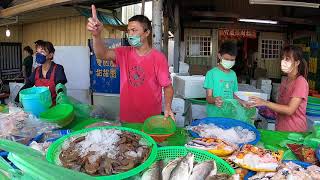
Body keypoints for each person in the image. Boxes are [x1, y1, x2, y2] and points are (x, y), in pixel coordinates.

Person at [87, 5, 174, 123]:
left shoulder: (158, 58)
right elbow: (102, 54)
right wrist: (96, 35)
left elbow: (167, 86)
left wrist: (168, 107)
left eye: (134, 30)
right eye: (128, 31)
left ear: (146, 32)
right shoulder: (123, 53)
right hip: (126, 119)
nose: (130, 34)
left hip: (151, 121)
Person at [250, 45, 309, 132]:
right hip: (281, 128)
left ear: (297, 63)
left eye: (287, 59)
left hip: (294, 132)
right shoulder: (285, 80)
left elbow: (290, 110)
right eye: (283, 58)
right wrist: (262, 108)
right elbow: (280, 106)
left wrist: (265, 103)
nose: (283, 61)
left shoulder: (300, 82)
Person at [204, 41, 248, 118]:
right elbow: (208, 98)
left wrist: (242, 102)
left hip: (229, 114)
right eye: (227, 59)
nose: (229, 62)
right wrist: (215, 100)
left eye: (232, 60)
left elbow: (233, 96)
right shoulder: (211, 74)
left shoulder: (233, 74)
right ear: (219, 56)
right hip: (214, 115)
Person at [15, 41, 67, 105]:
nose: (38, 54)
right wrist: (17, 99)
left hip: (55, 109)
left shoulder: (58, 69)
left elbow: (60, 87)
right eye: (37, 52)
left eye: (42, 52)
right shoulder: (37, 71)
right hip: (39, 108)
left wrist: (61, 101)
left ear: (50, 55)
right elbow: (27, 85)